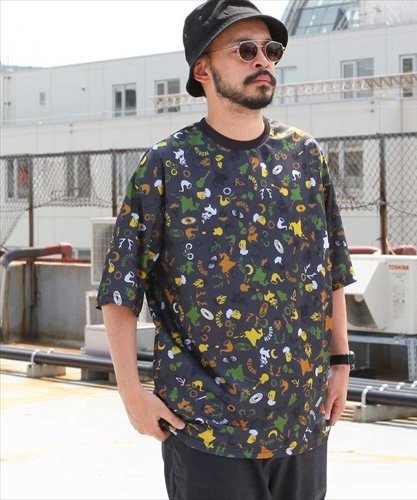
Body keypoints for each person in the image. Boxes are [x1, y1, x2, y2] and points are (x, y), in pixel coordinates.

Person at [96, 1, 356, 499]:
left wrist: (340, 363)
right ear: (202, 70)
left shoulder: (305, 156)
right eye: (245, 50)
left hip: (302, 420)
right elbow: (120, 289)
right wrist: (131, 394)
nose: (263, 61)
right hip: (207, 428)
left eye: (271, 50)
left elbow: (332, 269)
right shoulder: (167, 165)